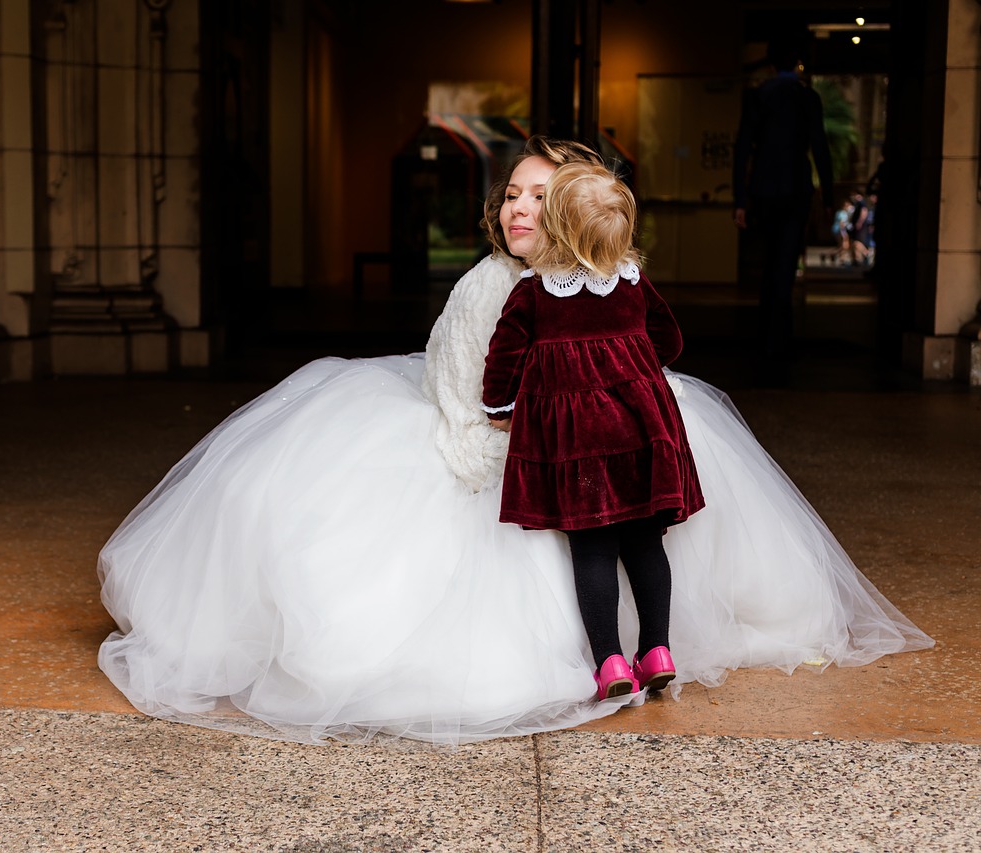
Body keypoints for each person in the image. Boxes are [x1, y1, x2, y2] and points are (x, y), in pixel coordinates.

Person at [97, 136, 931, 746]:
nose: (520, 208)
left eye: (541, 194)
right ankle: (615, 650)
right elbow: (473, 403)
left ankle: (654, 642)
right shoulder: (492, 288)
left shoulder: (598, 282)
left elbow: (658, 339)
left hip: (599, 429)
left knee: (656, 516)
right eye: (511, 196)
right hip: (508, 441)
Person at [480, 161, 703, 701]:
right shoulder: (632, 282)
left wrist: (500, 405)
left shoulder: (533, 293)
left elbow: (503, 359)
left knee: (594, 550)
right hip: (642, 431)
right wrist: (633, 367)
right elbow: (669, 341)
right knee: (646, 545)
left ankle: (609, 663)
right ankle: (657, 649)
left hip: (579, 442)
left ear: (554, 228)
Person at [733, 33, 834, 370]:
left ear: (773, 63)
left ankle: (766, 337)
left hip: (763, 190)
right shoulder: (808, 98)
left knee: (767, 263)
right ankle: (779, 340)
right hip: (795, 190)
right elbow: (819, 147)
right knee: (785, 264)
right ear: (798, 63)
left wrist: (740, 199)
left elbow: (743, 147)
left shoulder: (759, 96)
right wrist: (829, 195)